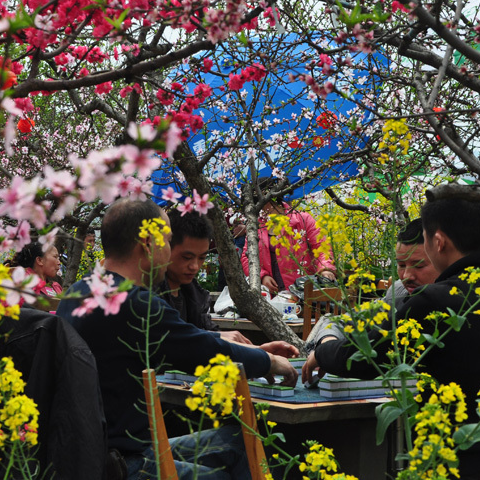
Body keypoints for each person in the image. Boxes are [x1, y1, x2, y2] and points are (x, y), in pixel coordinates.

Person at [303, 194, 480, 478]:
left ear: (438, 242)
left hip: (463, 468)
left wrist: (323, 348)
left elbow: (364, 359)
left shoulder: (435, 300)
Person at [58, 199, 298, 480]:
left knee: (238, 439)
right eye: (169, 242)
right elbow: (203, 351)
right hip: (122, 464)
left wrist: (255, 351)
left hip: (92, 455)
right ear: (148, 243)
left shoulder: (80, 291)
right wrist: (268, 361)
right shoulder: (132, 302)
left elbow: (189, 340)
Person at [154, 210, 252, 345]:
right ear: (166, 247)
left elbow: (210, 332)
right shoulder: (149, 295)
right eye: (187, 257)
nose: (194, 266)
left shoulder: (194, 293)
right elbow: (172, 339)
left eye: (202, 258)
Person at [241, 199, 336, 293]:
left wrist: (325, 268)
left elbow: (322, 246)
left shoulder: (302, 218)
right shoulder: (256, 225)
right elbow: (247, 257)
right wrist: (262, 276)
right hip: (271, 293)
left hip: (303, 290)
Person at [382, 218, 440, 304]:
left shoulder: (462, 303)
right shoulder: (396, 293)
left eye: (418, 266)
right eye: (402, 265)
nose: (406, 276)